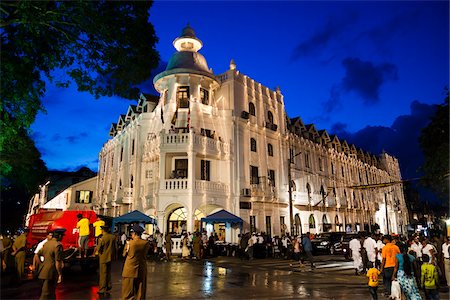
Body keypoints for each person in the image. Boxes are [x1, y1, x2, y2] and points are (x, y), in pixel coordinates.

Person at [122, 224, 150, 300]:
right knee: (140, 293)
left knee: (127, 293)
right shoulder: (146, 243)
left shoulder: (129, 243)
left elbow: (124, 254)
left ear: (134, 233)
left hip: (129, 270)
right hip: (141, 269)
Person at [37, 228, 65, 300]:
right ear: (59, 236)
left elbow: (37, 254)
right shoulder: (58, 245)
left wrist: (41, 264)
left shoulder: (46, 243)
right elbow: (57, 262)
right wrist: (60, 274)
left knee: (51, 293)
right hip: (51, 272)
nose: (62, 237)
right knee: (46, 294)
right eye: (62, 236)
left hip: (43, 270)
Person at [97, 225, 116, 296]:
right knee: (108, 273)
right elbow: (115, 248)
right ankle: (108, 286)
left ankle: (102, 289)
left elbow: (99, 249)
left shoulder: (102, 238)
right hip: (110, 257)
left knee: (103, 274)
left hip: (103, 258)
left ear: (103, 230)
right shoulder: (113, 237)